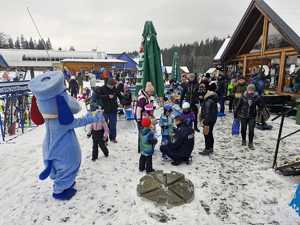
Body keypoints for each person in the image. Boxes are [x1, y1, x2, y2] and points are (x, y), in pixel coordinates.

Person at [29, 71, 103, 200]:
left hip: (49, 147)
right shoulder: (62, 122)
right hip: (63, 149)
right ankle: (59, 190)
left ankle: (65, 183)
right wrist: (94, 117)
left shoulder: (50, 119)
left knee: (59, 166)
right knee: (68, 164)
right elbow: (79, 120)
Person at [234, 84, 264, 149]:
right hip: (243, 115)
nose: (250, 91)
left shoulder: (257, 97)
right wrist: (235, 114)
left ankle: (250, 143)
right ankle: (243, 140)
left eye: (252, 90)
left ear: (254, 90)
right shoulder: (243, 96)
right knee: (243, 129)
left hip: (252, 116)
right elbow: (238, 106)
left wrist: (260, 106)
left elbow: (261, 106)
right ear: (247, 90)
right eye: (249, 89)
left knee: (251, 130)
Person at [95, 78, 122, 143]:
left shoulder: (114, 88)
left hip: (113, 109)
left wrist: (123, 100)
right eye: (112, 85)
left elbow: (119, 95)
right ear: (108, 84)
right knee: (104, 125)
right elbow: (98, 96)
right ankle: (105, 139)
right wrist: (107, 96)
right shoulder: (102, 88)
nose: (113, 87)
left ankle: (113, 138)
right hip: (105, 110)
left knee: (113, 125)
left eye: (114, 85)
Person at [199, 84, 218, 155]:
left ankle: (207, 149)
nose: (200, 96)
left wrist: (205, 121)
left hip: (208, 120)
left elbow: (207, 112)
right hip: (212, 119)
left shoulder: (208, 101)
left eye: (201, 95)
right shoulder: (210, 98)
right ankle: (211, 148)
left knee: (206, 134)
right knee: (210, 133)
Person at [135, 82, 154, 152]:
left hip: (144, 118)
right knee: (141, 133)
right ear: (148, 91)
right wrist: (139, 120)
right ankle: (141, 148)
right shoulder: (143, 98)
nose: (152, 94)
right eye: (151, 92)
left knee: (144, 133)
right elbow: (138, 109)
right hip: (141, 119)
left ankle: (144, 147)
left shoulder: (146, 97)